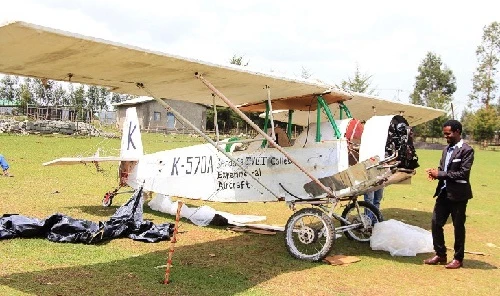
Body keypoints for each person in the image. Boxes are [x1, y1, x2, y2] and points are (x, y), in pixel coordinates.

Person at [424, 120, 474, 269]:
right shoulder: (446, 149)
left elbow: (463, 173)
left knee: (458, 227)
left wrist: (441, 174)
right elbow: (443, 167)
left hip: (459, 195)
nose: (446, 136)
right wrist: (436, 174)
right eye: (444, 134)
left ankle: (458, 258)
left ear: (458, 131)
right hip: (444, 192)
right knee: (435, 223)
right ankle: (440, 254)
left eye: (449, 133)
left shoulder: (467, 150)